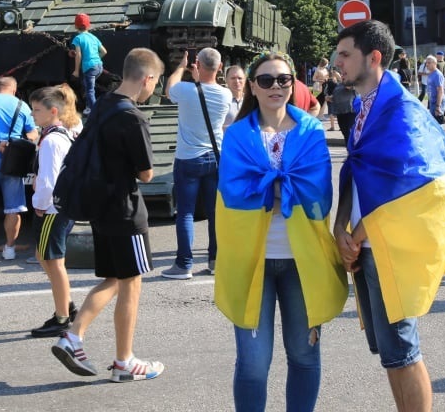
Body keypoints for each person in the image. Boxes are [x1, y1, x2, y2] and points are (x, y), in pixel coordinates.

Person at [334, 20, 445, 412]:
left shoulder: (402, 110)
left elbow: (414, 183)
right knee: (392, 353)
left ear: (373, 57)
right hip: (370, 244)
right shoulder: (364, 105)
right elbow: (357, 169)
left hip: (388, 246)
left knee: (403, 351)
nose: (337, 62)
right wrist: (340, 226)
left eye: (345, 54)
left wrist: (356, 235)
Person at [215, 51, 348, 412]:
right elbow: (232, 191)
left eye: (284, 79)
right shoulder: (238, 135)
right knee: (254, 365)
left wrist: (268, 190)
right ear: (252, 87)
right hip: (249, 260)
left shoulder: (310, 130)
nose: (276, 86)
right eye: (267, 80)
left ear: (294, 84)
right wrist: (284, 189)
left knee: (304, 356)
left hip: (303, 261)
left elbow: (318, 191)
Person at [52, 48, 166, 383]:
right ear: (147, 78)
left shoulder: (102, 104)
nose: (153, 88)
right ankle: (123, 361)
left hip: (100, 206)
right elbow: (145, 173)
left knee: (115, 279)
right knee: (131, 283)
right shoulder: (132, 116)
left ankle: (74, 336)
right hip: (125, 211)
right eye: (155, 82)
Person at [161, 48, 230, 280]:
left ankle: (184, 264)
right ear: (220, 67)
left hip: (188, 158)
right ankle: (215, 261)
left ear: (197, 64)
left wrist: (181, 67)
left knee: (186, 213)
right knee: (214, 213)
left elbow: (169, 89)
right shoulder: (225, 95)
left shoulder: (186, 90)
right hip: (215, 157)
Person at [27, 85, 79, 337]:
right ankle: (65, 305)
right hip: (60, 206)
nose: (33, 114)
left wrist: (38, 204)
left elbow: (48, 180)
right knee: (44, 255)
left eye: (37, 110)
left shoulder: (50, 141)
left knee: (53, 261)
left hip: (51, 209)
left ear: (53, 111)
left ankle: (62, 315)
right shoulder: (61, 134)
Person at [0, 76, 38, 261]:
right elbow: (33, 133)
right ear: (14, 89)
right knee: (13, 208)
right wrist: (18, 143)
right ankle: (9, 248)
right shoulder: (22, 106)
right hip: (14, 160)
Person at [71, 13, 106, 114]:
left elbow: (79, 55)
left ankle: (95, 112)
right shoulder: (93, 37)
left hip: (89, 68)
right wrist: (96, 60)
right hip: (99, 66)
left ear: (75, 26)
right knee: (87, 85)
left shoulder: (78, 38)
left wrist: (76, 71)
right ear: (88, 25)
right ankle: (88, 106)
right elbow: (104, 51)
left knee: (90, 90)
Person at [423, 56, 445, 123]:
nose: (427, 65)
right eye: (426, 63)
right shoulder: (431, 73)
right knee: (433, 124)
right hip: (432, 101)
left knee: (437, 125)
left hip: (437, 102)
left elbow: (440, 91)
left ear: (434, 63)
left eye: (429, 63)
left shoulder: (437, 75)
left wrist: (438, 106)